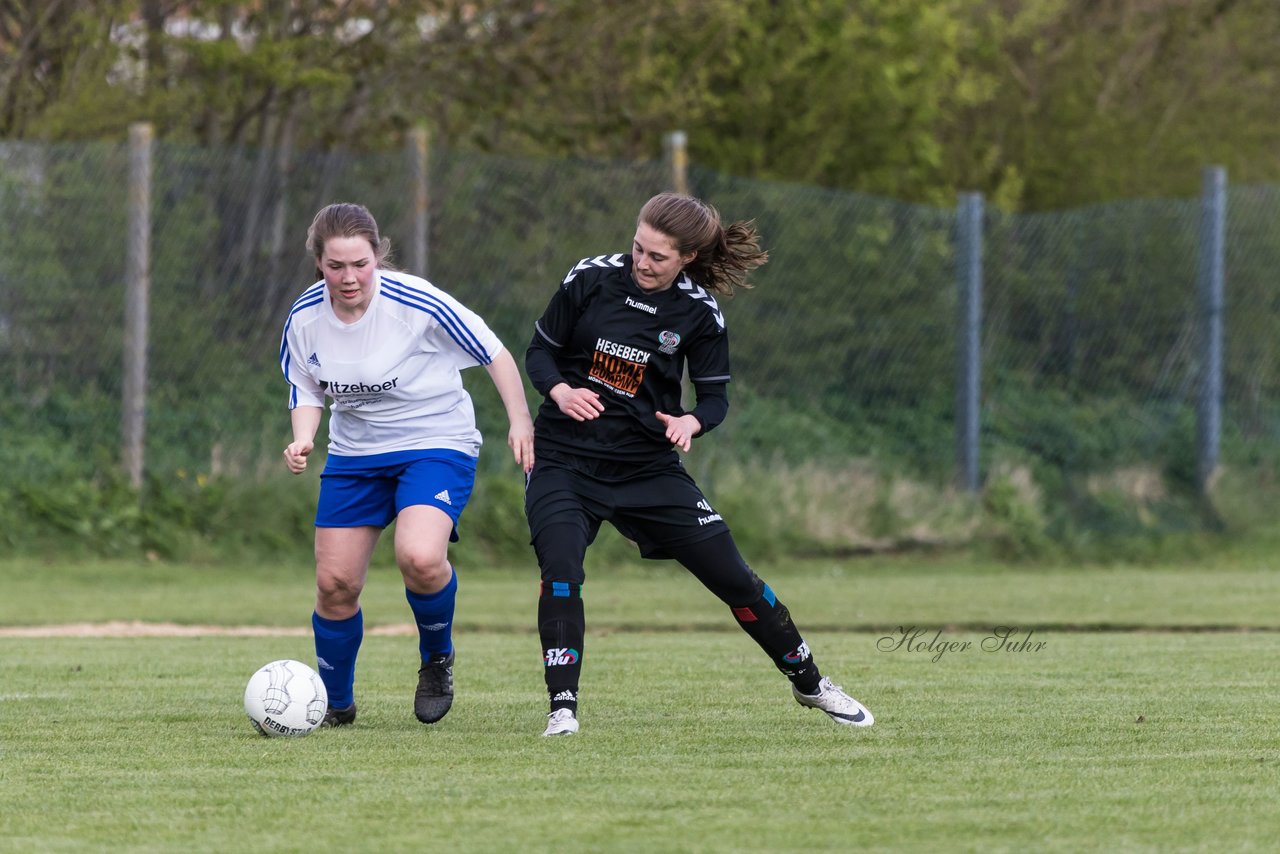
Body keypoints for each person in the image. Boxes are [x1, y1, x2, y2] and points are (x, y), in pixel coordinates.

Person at [523, 192, 874, 736]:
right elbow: (539, 352)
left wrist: (692, 422)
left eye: (657, 256)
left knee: (735, 578)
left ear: (687, 257)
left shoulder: (699, 312)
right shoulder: (589, 278)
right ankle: (562, 709)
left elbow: (713, 398)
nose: (641, 262)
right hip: (565, 461)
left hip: (647, 469)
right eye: (637, 247)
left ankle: (811, 683)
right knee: (562, 573)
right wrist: (561, 390)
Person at [279, 202, 534, 728]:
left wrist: (521, 421)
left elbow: (494, 352)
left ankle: (436, 659)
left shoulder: (415, 301)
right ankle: (334, 703)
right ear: (318, 264)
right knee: (335, 584)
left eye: (360, 264)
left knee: (419, 557)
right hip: (355, 456)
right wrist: (303, 439)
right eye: (335, 266)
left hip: (435, 440)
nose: (349, 278)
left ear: (378, 257)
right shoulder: (305, 318)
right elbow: (306, 385)